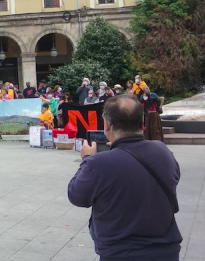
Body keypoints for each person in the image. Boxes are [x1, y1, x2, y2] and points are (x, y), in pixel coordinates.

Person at [68, 95, 182, 260]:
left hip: (120, 254)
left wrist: (86, 159)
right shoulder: (162, 151)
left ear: (106, 124)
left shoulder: (97, 163)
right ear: (142, 124)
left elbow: (77, 196)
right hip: (166, 252)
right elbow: (173, 179)